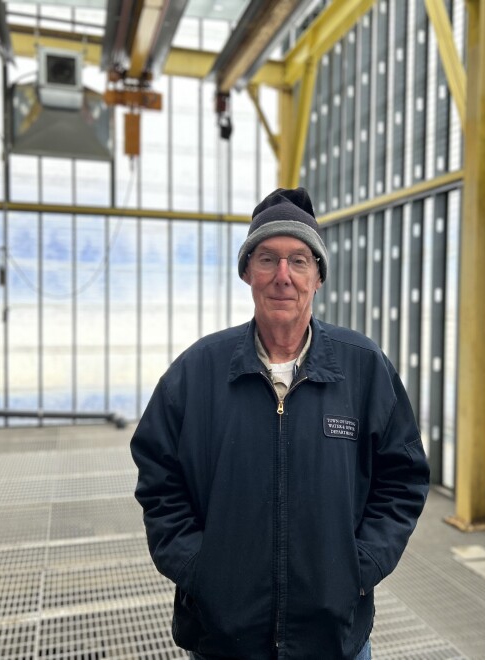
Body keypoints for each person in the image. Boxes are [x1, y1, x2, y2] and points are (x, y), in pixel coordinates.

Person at [130, 187, 429, 659]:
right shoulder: (197, 372)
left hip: (333, 641)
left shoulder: (364, 369)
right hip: (224, 640)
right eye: (267, 259)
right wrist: (199, 568)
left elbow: (403, 479)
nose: (282, 277)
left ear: (318, 277)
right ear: (247, 272)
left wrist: (357, 566)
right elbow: (158, 480)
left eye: (299, 261)